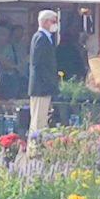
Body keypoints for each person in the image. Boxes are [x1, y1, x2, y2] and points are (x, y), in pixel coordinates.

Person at [26, 11, 60, 139]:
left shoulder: (45, 38)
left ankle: (36, 148)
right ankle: (34, 149)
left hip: (43, 86)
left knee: (41, 120)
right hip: (41, 87)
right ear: (45, 22)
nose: (55, 25)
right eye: (53, 21)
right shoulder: (40, 38)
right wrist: (48, 82)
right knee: (38, 121)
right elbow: (38, 64)